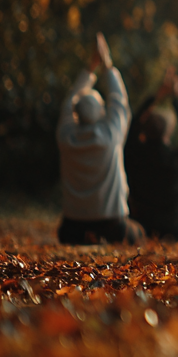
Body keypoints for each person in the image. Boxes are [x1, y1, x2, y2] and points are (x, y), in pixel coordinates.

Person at [57, 33, 142, 245]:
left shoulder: (65, 136)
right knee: (137, 232)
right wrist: (107, 66)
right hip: (111, 224)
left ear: (76, 114)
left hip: (72, 226)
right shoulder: (111, 134)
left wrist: (89, 69)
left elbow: (69, 102)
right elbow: (119, 100)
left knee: (66, 233)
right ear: (102, 113)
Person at [124, 66, 178, 244]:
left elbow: (132, 127)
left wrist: (155, 97)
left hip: (141, 228)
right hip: (172, 232)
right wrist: (177, 99)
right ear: (168, 132)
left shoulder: (135, 155)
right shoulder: (177, 160)